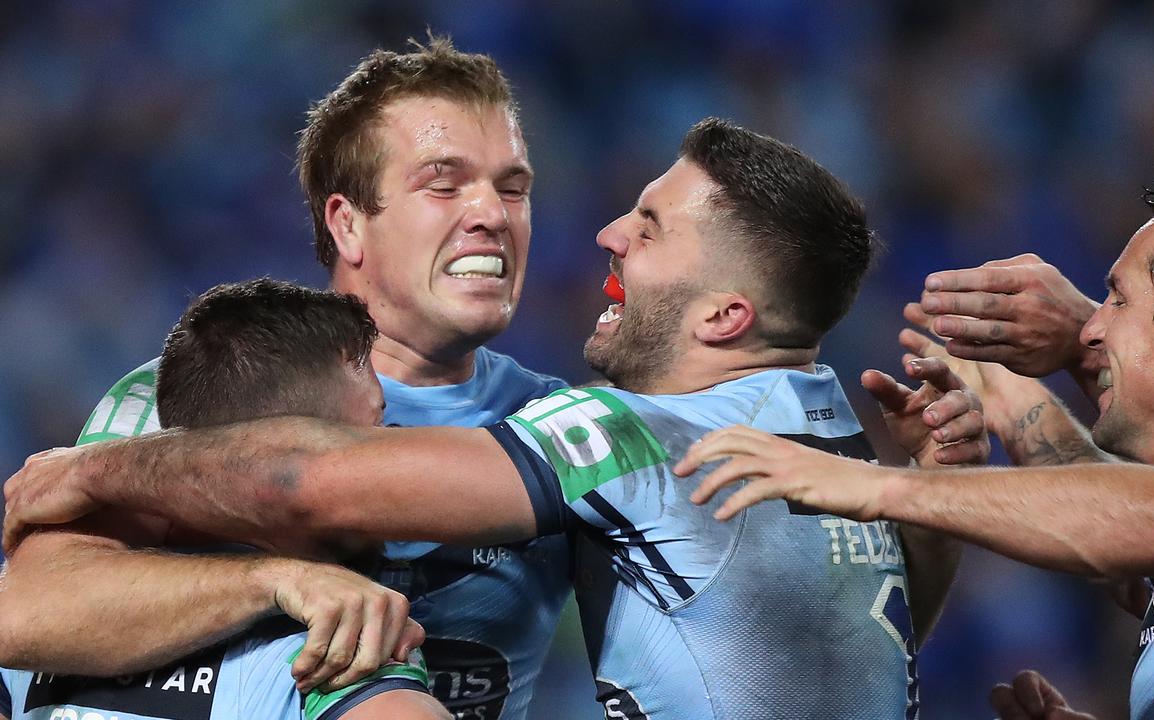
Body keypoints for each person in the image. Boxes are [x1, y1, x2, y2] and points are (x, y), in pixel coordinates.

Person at [4, 118, 989, 719]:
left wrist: (93, 471)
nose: (605, 233)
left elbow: (303, 481)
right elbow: (846, 648)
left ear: (723, 316)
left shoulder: (636, 435)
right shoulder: (831, 434)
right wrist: (936, 505)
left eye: (645, 229)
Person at [0, 36, 571, 719]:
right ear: (348, 224)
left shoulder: (564, 428)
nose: (492, 215)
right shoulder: (195, 386)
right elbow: (28, 616)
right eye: (443, 184)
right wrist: (280, 581)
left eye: (514, 188)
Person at [675, 173, 1154, 720]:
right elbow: (1127, 537)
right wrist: (1007, 398)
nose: (1092, 326)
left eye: (1118, 300)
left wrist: (877, 486)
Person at [0, 278, 450, 720]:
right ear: (277, 463)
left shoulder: (51, 610)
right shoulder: (338, 647)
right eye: (368, 431)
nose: (384, 453)